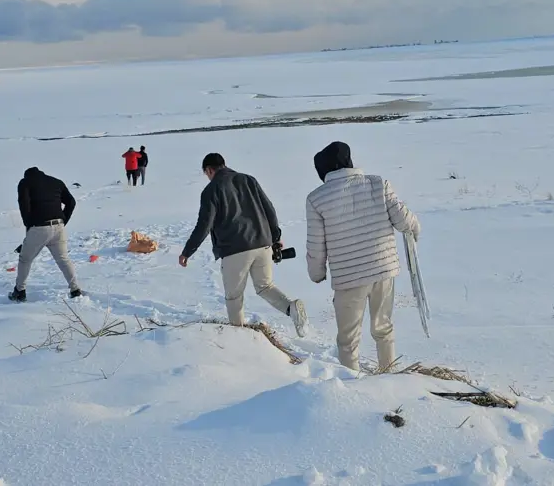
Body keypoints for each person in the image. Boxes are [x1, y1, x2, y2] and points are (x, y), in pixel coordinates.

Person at [305, 141, 420, 372]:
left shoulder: (316, 199)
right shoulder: (378, 184)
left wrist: (316, 274)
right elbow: (405, 221)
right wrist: (415, 229)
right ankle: (388, 373)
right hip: (383, 270)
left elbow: (316, 243)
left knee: (348, 339)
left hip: (349, 277)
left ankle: (351, 382)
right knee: (383, 327)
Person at [179, 153, 308, 337]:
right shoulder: (248, 180)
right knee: (265, 287)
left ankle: (238, 337)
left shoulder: (211, 190)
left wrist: (187, 251)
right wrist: (275, 237)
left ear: (209, 170)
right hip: (263, 244)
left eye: (206, 173)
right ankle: (291, 307)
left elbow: (204, 225)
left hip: (234, 249)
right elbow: (269, 209)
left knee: (234, 296)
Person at [9, 167, 82, 302]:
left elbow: (24, 205)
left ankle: (19, 291)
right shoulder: (56, 182)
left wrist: (29, 225)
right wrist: (63, 221)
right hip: (59, 227)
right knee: (63, 259)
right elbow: (71, 202)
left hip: (39, 227)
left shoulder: (25, 183)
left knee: (25, 259)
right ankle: (75, 289)